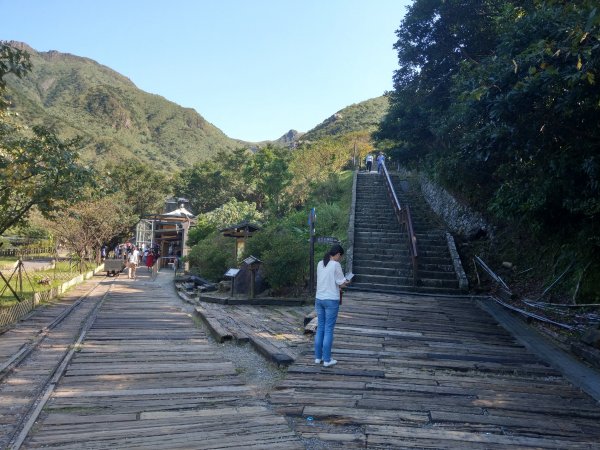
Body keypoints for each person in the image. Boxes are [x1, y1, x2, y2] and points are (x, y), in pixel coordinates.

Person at [314, 244, 351, 367]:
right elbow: (341, 283)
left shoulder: (320, 263)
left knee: (320, 327)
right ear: (338, 254)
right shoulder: (336, 265)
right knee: (328, 329)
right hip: (331, 300)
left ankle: (318, 358)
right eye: (340, 256)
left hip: (319, 299)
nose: (340, 259)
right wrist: (347, 282)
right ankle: (327, 360)